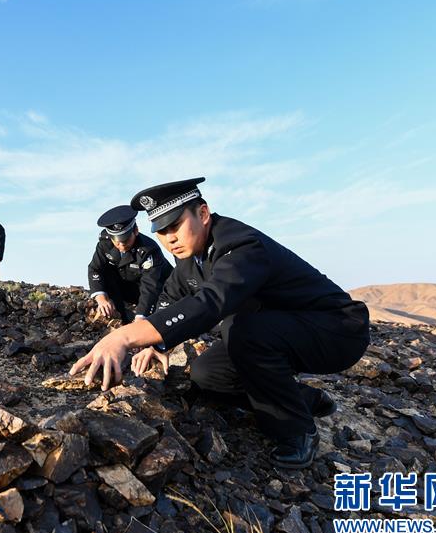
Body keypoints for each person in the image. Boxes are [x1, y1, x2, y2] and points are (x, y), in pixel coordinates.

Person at [70, 177, 370, 469]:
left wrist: (125, 336)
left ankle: (297, 431)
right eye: (161, 231)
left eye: (175, 226)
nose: (169, 238)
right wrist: (154, 340)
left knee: (242, 331)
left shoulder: (240, 246)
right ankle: (306, 399)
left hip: (337, 330)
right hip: (280, 330)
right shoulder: (191, 256)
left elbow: (210, 303)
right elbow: (171, 296)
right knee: (207, 374)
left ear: (202, 213)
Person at [88, 205, 173, 324]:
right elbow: (95, 269)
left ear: (136, 231)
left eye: (126, 240)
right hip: (129, 285)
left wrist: (141, 316)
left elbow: (150, 286)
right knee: (107, 271)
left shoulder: (148, 249)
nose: (121, 245)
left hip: (160, 290)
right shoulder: (105, 244)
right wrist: (101, 298)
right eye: (117, 241)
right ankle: (121, 319)